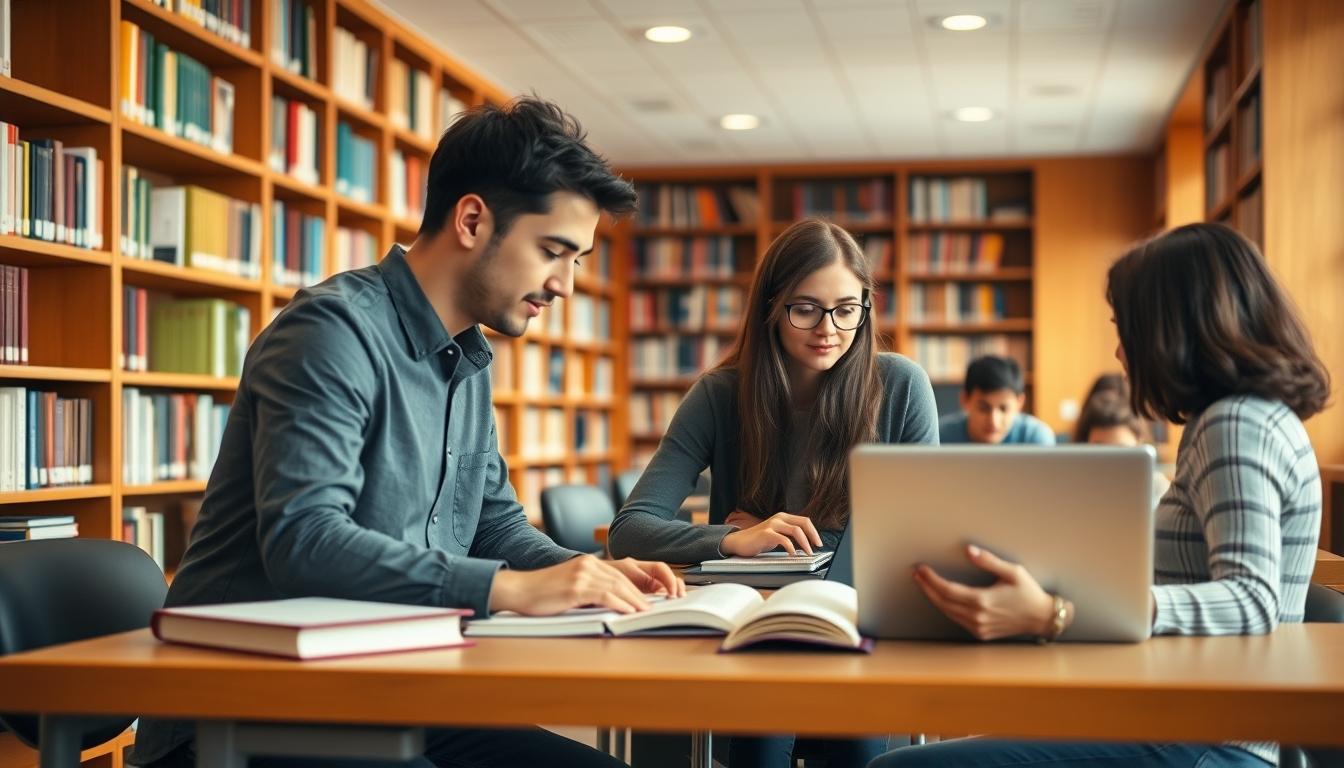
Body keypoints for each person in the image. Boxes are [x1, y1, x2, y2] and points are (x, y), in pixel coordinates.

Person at [132, 98, 683, 768]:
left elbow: (493, 527)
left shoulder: (468, 357)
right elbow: (304, 540)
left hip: (389, 688)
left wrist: (581, 573)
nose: (566, 284)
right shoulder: (331, 333)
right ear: (473, 220)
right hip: (250, 711)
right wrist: (509, 589)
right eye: (553, 251)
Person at [871, 222, 1330, 768]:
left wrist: (1055, 614)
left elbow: (1252, 601)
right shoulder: (1245, 417)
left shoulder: (1235, 424)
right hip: (1183, 723)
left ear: (1172, 328)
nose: (1118, 349)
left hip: (1207, 742)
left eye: (1125, 328)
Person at [608, 218, 939, 768]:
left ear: (865, 308)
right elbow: (630, 530)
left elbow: (923, 535)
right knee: (759, 740)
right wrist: (730, 540)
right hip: (754, 631)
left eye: (847, 309)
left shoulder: (901, 386)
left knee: (851, 736)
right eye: (805, 308)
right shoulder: (718, 395)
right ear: (771, 308)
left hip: (861, 630)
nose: (828, 328)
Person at [938, 355, 1054, 445]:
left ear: (1019, 404)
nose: (993, 421)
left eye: (1003, 409)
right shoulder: (939, 437)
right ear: (964, 400)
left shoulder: (1035, 437)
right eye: (983, 408)